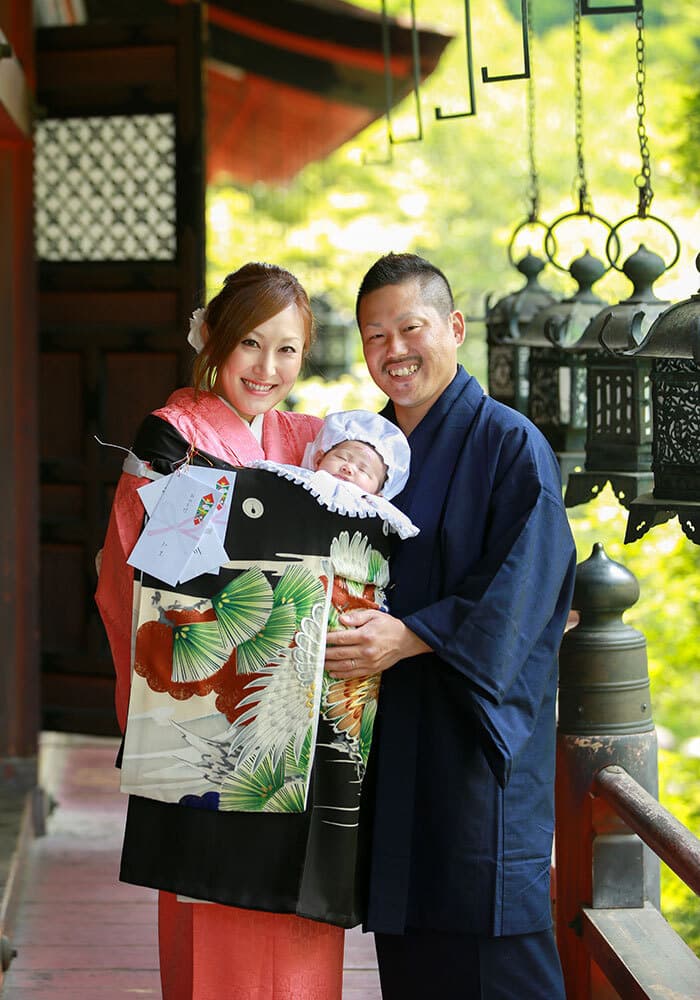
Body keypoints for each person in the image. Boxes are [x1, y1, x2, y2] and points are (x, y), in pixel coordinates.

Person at [324, 253, 577, 999]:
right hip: (392, 738)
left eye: (411, 327)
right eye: (376, 335)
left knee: (493, 952)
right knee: (412, 954)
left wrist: (410, 636)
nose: (393, 351)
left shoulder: (508, 443)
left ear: (454, 328)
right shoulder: (369, 457)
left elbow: (524, 590)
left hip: (473, 746)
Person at [96, 262, 344, 1000]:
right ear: (214, 340)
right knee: (215, 920)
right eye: (250, 345)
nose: (268, 369)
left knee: (298, 919)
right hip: (207, 711)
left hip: (297, 719)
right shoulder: (171, 441)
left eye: (288, 350)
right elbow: (132, 587)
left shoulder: (307, 438)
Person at [252, 408, 418, 539]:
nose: (348, 468)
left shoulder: (376, 511)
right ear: (318, 460)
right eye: (341, 457)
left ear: (379, 494)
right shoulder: (303, 480)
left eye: (363, 469)